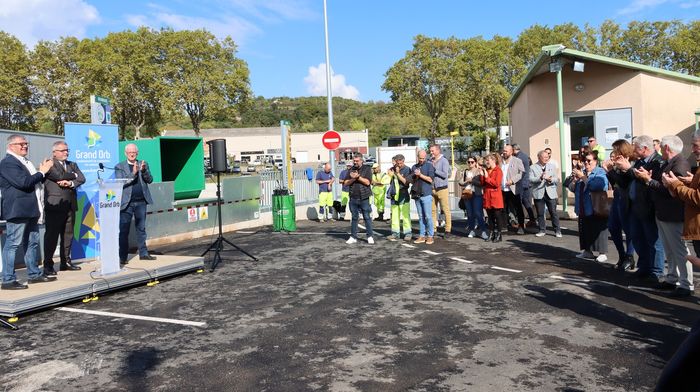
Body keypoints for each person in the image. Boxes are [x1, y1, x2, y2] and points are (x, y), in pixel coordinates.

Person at [636, 135, 693, 297]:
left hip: (673, 214)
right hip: (664, 213)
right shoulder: (670, 163)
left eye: (661, 146)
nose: (659, 149)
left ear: (667, 148)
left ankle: (686, 284)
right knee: (670, 249)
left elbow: (671, 191)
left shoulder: (680, 164)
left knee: (679, 250)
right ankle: (672, 278)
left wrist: (648, 180)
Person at [1, 134, 55, 290]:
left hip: (31, 208)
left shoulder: (25, 162)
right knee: (13, 244)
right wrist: (42, 172)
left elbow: (34, 182)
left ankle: (34, 274)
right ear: (11, 146)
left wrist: (43, 172)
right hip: (18, 210)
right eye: (21, 144)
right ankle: (8, 279)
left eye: (26, 143)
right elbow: (24, 183)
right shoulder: (8, 163)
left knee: (32, 243)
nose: (25, 146)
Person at [616, 135, 665, 283]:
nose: (633, 150)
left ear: (644, 148)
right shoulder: (639, 162)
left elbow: (645, 180)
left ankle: (656, 272)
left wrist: (629, 169)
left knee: (654, 241)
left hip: (648, 207)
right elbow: (629, 180)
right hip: (635, 206)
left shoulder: (657, 162)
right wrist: (619, 169)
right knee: (638, 239)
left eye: (635, 147)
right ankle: (644, 268)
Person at [42, 141, 86, 275]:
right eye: (62, 150)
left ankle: (65, 262)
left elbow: (82, 178)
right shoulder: (49, 164)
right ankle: (48, 265)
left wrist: (71, 182)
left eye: (67, 150)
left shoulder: (72, 164)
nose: (66, 152)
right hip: (55, 205)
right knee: (52, 236)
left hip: (70, 204)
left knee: (68, 235)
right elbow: (59, 176)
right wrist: (74, 176)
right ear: (54, 152)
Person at [116, 143, 156, 264]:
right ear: (125, 153)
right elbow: (120, 183)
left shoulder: (143, 164)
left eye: (134, 152)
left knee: (141, 229)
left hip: (141, 202)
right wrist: (133, 173)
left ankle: (143, 253)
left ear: (137, 153)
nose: (132, 154)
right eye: (129, 152)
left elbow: (150, 180)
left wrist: (143, 171)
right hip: (126, 203)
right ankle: (122, 257)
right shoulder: (119, 166)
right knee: (124, 230)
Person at [569, 150, 609, 262]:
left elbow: (598, 186)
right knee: (584, 229)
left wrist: (583, 178)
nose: (586, 163)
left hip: (596, 206)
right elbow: (572, 189)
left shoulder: (600, 172)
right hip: (582, 206)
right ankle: (587, 251)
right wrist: (575, 180)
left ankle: (602, 253)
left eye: (589, 160)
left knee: (599, 229)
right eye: (585, 161)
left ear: (595, 161)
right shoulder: (583, 172)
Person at [602, 139, 636, 270]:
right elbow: (614, 182)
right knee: (613, 226)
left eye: (615, 149)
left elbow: (624, 182)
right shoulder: (617, 163)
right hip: (617, 196)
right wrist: (610, 171)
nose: (613, 153)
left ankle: (629, 256)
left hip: (627, 198)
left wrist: (610, 171)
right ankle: (621, 255)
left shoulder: (630, 163)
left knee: (628, 229)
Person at [344, 152, 374, 244]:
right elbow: (345, 183)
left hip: (364, 197)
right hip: (353, 197)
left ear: (361, 160)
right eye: (354, 161)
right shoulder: (351, 169)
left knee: (366, 217)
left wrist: (358, 177)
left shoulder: (367, 169)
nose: (355, 162)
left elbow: (368, 182)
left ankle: (369, 236)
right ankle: (353, 236)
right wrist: (353, 179)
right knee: (354, 217)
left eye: (357, 161)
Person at [529, 150, 561, 237]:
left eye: (547, 157)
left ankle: (557, 230)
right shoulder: (532, 167)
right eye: (544, 157)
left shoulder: (552, 166)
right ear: (539, 158)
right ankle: (542, 230)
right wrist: (540, 178)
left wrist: (550, 179)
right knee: (540, 213)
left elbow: (556, 179)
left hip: (550, 192)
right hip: (539, 192)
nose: (546, 159)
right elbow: (530, 179)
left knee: (553, 212)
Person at [411, 150, 436, 245]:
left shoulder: (429, 166)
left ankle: (430, 236)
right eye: (420, 158)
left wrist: (420, 175)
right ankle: (422, 235)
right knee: (421, 217)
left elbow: (430, 179)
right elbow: (412, 180)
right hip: (417, 194)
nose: (421, 160)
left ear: (426, 157)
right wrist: (415, 176)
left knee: (428, 216)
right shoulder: (414, 167)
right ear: (417, 157)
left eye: (423, 158)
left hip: (426, 194)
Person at [460, 157, 488, 240]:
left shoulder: (479, 171)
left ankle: (483, 231)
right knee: (469, 214)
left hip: (477, 194)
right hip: (467, 194)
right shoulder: (465, 171)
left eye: (472, 162)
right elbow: (460, 182)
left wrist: (471, 180)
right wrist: (466, 181)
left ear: (475, 162)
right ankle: (472, 230)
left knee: (478, 213)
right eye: (468, 162)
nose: (470, 164)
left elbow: (482, 183)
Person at [500, 145, 525, 234]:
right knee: (502, 208)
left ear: (511, 151)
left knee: (518, 208)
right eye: (503, 151)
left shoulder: (517, 161)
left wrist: (512, 180)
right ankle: (503, 226)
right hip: (502, 189)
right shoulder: (500, 162)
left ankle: (521, 227)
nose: (504, 152)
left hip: (513, 189)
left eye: (506, 151)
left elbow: (521, 173)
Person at [387, 154, 412, 241]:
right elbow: (387, 180)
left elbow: (406, 182)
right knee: (394, 215)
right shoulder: (392, 168)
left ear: (403, 161)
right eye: (398, 163)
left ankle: (408, 233)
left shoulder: (407, 169)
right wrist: (389, 175)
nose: (399, 165)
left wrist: (397, 173)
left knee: (405, 215)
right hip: (394, 195)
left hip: (403, 194)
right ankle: (395, 233)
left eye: (401, 163)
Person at [480, 153, 505, 242]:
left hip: (495, 196)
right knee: (490, 216)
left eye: (488, 160)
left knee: (497, 216)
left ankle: (499, 234)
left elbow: (496, 184)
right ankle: (491, 233)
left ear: (493, 161)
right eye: (486, 160)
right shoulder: (487, 170)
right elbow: (482, 184)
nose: (486, 162)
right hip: (487, 196)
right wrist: (482, 175)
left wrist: (487, 177)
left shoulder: (498, 171)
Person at [429, 144, 452, 238]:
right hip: (432, 188)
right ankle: (433, 230)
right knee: (433, 211)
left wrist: (434, 170)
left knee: (445, 210)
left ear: (438, 150)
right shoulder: (430, 161)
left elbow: (445, 175)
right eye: (430, 151)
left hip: (442, 189)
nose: (431, 153)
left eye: (432, 151)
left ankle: (447, 230)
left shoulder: (444, 161)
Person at [513, 143, 537, 227]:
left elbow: (518, 171)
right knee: (526, 202)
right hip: (526, 182)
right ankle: (532, 220)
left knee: (519, 204)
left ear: (513, 149)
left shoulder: (519, 157)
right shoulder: (524, 156)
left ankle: (521, 223)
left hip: (522, 183)